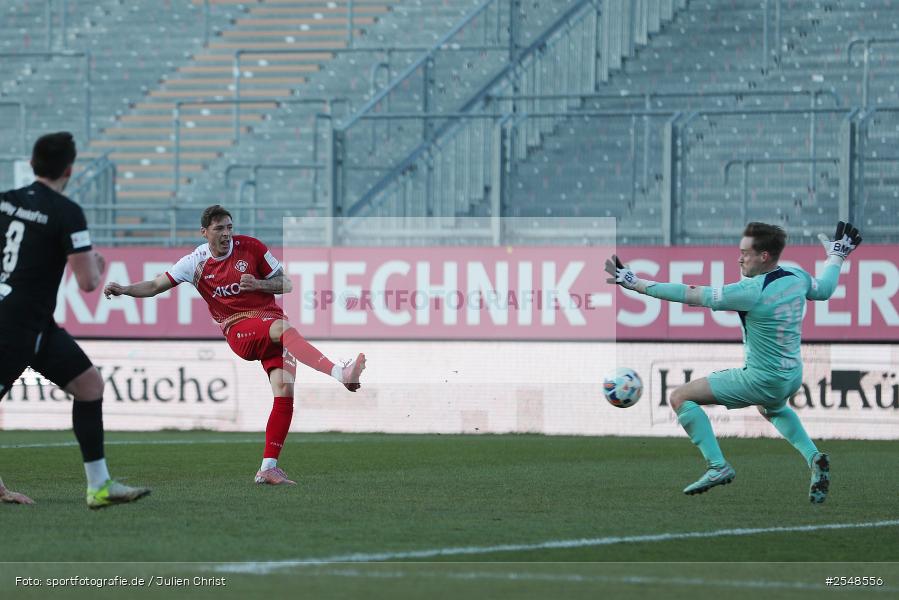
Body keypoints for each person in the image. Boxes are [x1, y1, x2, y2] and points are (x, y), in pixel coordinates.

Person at [104, 205, 365, 486]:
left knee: (284, 392)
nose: (227, 234)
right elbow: (156, 285)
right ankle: (340, 372)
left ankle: (268, 468)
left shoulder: (252, 247)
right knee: (283, 329)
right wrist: (125, 289)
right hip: (240, 328)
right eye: (219, 229)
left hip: (271, 324)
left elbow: (285, 284)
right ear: (205, 233)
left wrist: (259, 285)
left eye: (229, 227)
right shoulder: (194, 263)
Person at [605, 221, 863, 503]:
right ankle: (814, 458)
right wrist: (837, 256)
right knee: (773, 408)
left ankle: (718, 466)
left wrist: (636, 284)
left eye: (745, 253)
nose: (739, 258)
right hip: (791, 374)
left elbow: (690, 293)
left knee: (680, 397)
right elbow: (824, 289)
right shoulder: (796, 275)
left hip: (761, 379)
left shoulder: (750, 291)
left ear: (764, 256)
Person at [0, 132, 150, 509]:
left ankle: (99, 486)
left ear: (32, 164)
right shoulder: (67, 212)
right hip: (13, 324)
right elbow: (87, 283)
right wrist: (99, 265)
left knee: (88, 384)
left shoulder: (5, 202)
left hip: (34, 323)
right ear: (69, 169)